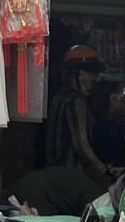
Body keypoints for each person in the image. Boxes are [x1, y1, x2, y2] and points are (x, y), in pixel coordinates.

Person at [46, 45, 113, 180]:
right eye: (90, 72)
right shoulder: (76, 101)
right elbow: (81, 143)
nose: (95, 78)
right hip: (71, 175)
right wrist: (103, 170)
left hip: (53, 172)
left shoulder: (59, 96)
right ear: (76, 73)